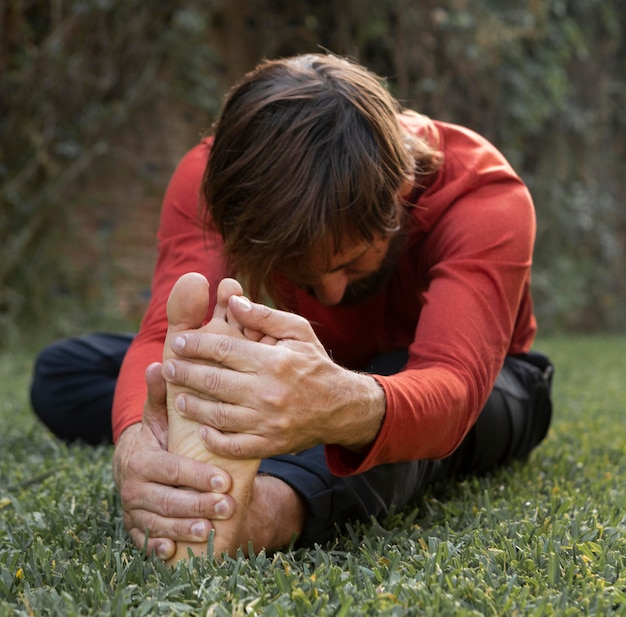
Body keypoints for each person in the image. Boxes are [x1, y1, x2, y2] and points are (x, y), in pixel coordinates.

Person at [30, 53, 554, 562]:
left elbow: (453, 387)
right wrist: (136, 446)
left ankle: (268, 511)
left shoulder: (484, 196)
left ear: (400, 192)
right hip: (288, 369)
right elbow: (161, 339)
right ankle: (268, 422)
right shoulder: (220, 179)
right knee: (65, 372)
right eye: (301, 273)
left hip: (483, 387)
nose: (328, 294)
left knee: (404, 400)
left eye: (350, 263)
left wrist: (341, 404)